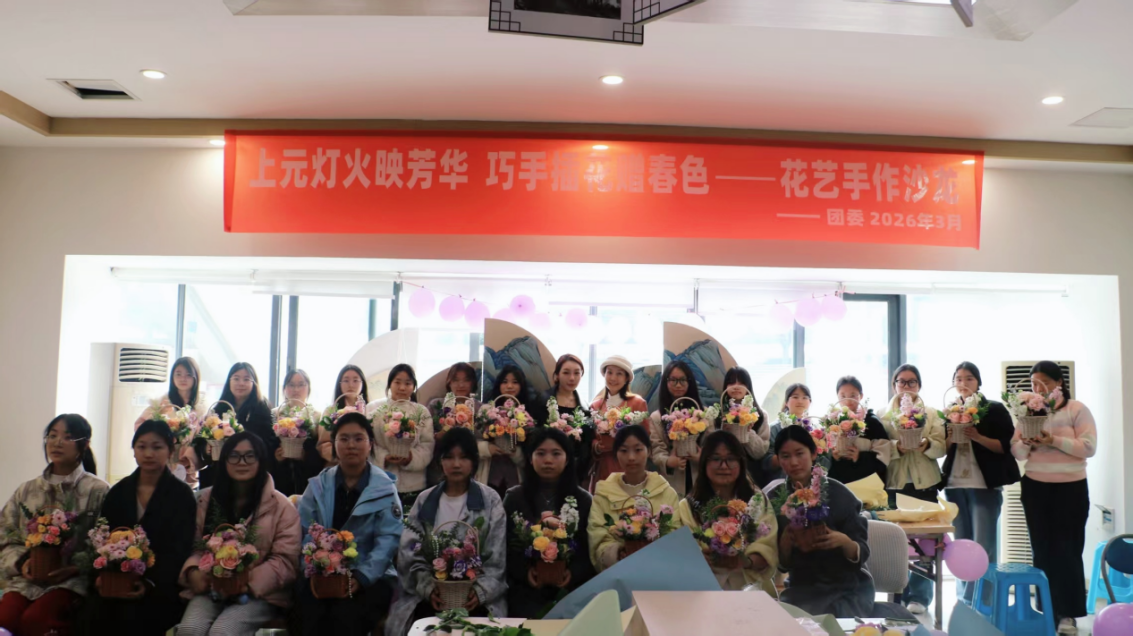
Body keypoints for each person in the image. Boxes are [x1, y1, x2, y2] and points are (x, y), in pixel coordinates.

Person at [80, 420, 196, 636]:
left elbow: (180, 549)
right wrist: (102, 575)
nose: (149, 453)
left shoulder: (182, 495)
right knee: (93, 613)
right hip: (116, 580)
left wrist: (149, 582)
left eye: (157, 447)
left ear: (170, 451)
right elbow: (103, 538)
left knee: (136, 616)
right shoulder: (118, 491)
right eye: (141, 446)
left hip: (161, 585)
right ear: (134, 450)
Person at [388, 428, 508, 636]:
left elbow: (496, 559)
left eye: (464, 457)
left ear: (474, 461)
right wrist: (428, 588)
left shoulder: (490, 500)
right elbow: (409, 554)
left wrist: (479, 592)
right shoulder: (425, 500)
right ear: (440, 461)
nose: (456, 464)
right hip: (431, 597)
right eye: (449, 457)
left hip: (477, 598)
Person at [178, 433, 301, 635]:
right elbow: (195, 546)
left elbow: (285, 560)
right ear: (224, 460)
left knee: (223, 632)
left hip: (259, 594)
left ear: (261, 460)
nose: (242, 462)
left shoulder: (281, 506)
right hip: (211, 588)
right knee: (189, 630)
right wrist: (193, 571)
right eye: (234, 456)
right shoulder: (206, 500)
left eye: (250, 456)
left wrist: (246, 582)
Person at [0, 415, 108, 636]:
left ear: (84, 445)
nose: (57, 442)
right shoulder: (26, 490)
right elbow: (5, 535)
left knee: (36, 621)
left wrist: (77, 567)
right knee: (4, 620)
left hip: (71, 582)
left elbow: (107, 542)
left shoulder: (97, 490)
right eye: (52, 436)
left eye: (67, 437)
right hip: (25, 581)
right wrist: (22, 563)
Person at [297, 412, 402, 636]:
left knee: (345, 618)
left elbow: (388, 540)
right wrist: (316, 568)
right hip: (321, 575)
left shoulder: (384, 489)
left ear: (370, 444)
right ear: (334, 445)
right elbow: (305, 531)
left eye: (358, 438)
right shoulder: (318, 485)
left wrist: (361, 577)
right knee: (306, 616)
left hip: (370, 577)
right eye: (343, 439)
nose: (351, 445)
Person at [1011, 361, 1095, 635]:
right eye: (1034, 383)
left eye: (1044, 382)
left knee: (1068, 551)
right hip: (1036, 488)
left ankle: (1068, 614)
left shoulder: (1076, 409)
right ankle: (1048, 611)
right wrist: (1026, 443)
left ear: (1059, 382)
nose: (1038, 388)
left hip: (1071, 488)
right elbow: (1017, 452)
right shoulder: (1028, 411)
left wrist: (1053, 441)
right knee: (1043, 551)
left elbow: (1089, 447)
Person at [771, 425, 873, 618]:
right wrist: (785, 545)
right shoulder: (775, 499)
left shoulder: (840, 494)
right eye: (785, 456)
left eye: (799, 453)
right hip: (800, 589)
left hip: (847, 589)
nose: (793, 462)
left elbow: (862, 550)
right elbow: (782, 565)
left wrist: (844, 542)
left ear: (813, 454)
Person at [941, 362, 1019, 607]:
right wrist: (950, 438)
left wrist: (978, 437)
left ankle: (983, 602)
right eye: (959, 378)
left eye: (969, 378)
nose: (963, 383)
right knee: (961, 545)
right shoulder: (949, 410)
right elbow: (942, 449)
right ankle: (964, 600)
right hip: (954, 485)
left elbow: (1006, 445)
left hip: (985, 486)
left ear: (978, 382)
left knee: (983, 545)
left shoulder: (992, 409)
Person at [503, 427, 595, 618]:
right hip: (525, 590)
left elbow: (588, 549)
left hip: (571, 590)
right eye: (541, 453)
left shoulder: (583, 500)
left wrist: (573, 573)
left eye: (556, 454)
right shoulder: (514, 498)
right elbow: (505, 547)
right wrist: (525, 573)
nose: (548, 460)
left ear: (567, 459)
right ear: (530, 458)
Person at [678, 430, 777, 594]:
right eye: (716, 459)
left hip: (749, 589)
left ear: (741, 463)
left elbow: (768, 549)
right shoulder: (687, 506)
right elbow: (682, 555)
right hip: (704, 590)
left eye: (730, 459)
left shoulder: (757, 501)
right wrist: (700, 558)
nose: (723, 466)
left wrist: (744, 561)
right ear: (704, 463)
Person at [880, 363, 944, 615]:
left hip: (924, 483)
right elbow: (878, 447)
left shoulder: (932, 413)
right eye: (902, 382)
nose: (906, 386)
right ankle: (896, 593)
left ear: (919, 386)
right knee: (896, 542)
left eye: (912, 382)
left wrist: (927, 444)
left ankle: (920, 596)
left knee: (925, 543)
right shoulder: (882, 415)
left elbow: (942, 446)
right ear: (894, 385)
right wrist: (896, 447)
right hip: (894, 484)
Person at [588, 425, 679, 572]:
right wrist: (618, 553)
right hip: (618, 573)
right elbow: (597, 537)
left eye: (638, 450)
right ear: (616, 454)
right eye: (624, 451)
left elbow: (675, 533)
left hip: (658, 572)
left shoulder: (666, 492)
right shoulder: (603, 495)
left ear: (649, 451)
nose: (631, 457)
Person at [195, 362, 276, 489]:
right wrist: (206, 449)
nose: (241, 383)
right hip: (220, 472)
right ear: (229, 382)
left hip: (250, 470)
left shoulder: (263, 409)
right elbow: (201, 442)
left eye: (246, 379)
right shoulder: (218, 409)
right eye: (236, 379)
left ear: (254, 383)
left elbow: (269, 443)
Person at [368, 363, 435, 511]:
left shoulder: (422, 412)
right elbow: (368, 443)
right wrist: (384, 457)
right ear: (389, 384)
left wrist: (410, 458)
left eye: (408, 383)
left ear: (413, 387)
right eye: (397, 382)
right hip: (381, 482)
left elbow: (427, 445)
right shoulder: (374, 411)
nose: (402, 388)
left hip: (414, 484)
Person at [134, 356, 205, 484]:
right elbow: (140, 425)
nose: (183, 378)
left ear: (196, 377)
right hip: (162, 463)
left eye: (188, 375)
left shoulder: (202, 407)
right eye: (178, 374)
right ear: (172, 377)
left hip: (188, 465)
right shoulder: (162, 403)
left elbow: (203, 439)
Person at [588, 355, 650, 491]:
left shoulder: (637, 403)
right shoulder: (595, 405)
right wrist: (597, 446)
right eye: (609, 372)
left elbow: (646, 437)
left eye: (619, 374)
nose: (613, 378)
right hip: (603, 467)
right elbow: (591, 437)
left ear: (627, 378)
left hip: (629, 466)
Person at [649, 360, 704, 496]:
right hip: (673, 481)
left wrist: (703, 457)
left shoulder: (703, 414)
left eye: (682, 380)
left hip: (700, 476)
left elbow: (711, 444)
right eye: (673, 380)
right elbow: (657, 450)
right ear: (666, 382)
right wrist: (668, 461)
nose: (678, 385)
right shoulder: (657, 417)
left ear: (689, 382)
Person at [479, 365, 531, 500]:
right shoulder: (486, 410)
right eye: (505, 382)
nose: (509, 386)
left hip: (515, 476)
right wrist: (487, 448)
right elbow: (473, 441)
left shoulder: (527, 413)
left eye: (515, 382)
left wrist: (515, 453)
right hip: (489, 473)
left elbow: (532, 452)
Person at [828, 376, 891, 487]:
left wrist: (860, 457)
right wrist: (833, 457)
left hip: (866, 486)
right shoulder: (831, 423)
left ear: (861, 396)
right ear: (837, 397)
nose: (848, 400)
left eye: (853, 395)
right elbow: (822, 459)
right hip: (840, 486)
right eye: (843, 396)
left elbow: (884, 457)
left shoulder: (872, 422)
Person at [272, 368, 324, 497]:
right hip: (281, 475)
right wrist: (276, 457)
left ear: (308, 388)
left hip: (307, 476)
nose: (296, 389)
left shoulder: (317, 416)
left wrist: (305, 455)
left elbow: (320, 449)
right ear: (284, 388)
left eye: (301, 385)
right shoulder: (274, 414)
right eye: (291, 385)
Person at [427, 362, 480, 488]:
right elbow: (425, 437)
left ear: (472, 383)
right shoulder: (436, 405)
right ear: (449, 382)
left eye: (466, 380)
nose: (461, 385)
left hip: (472, 469)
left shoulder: (480, 408)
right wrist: (438, 436)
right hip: (439, 468)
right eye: (456, 380)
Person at [540, 355, 590, 484]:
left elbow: (587, 442)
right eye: (566, 373)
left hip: (575, 469)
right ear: (557, 375)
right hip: (547, 465)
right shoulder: (543, 400)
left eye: (577, 373)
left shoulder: (584, 406)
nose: (572, 378)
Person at [720, 367, 772, 485]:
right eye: (731, 382)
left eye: (741, 383)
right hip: (723, 471)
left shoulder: (761, 415)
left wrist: (747, 431)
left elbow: (761, 452)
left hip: (752, 473)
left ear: (748, 386)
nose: (736, 386)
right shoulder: (717, 414)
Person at [761, 383, 818, 485]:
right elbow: (766, 462)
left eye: (805, 397)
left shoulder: (817, 429)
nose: (800, 401)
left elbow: (826, 460)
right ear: (786, 402)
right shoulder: (774, 428)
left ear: (810, 402)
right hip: (783, 483)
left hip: (814, 484)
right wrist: (787, 456)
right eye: (795, 397)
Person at [317, 364, 371, 466]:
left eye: (355, 380)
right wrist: (342, 457)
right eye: (346, 380)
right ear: (340, 384)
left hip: (365, 465)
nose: (351, 385)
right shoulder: (330, 411)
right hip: (337, 465)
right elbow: (323, 444)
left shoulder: (370, 410)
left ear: (362, 383)